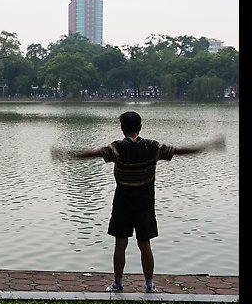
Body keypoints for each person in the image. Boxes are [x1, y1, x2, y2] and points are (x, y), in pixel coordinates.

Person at [51, 111, 226, 293]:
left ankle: (118, 284)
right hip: (145, 203)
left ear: (122, 128)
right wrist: (208, 146)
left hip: (122, 202)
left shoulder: (116, 148)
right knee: (145, 244)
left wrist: (67, 154)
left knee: (120, 243)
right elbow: (182, 150)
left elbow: (91, 154)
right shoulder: (152, 147)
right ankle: (149, 285)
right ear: (140, 127)